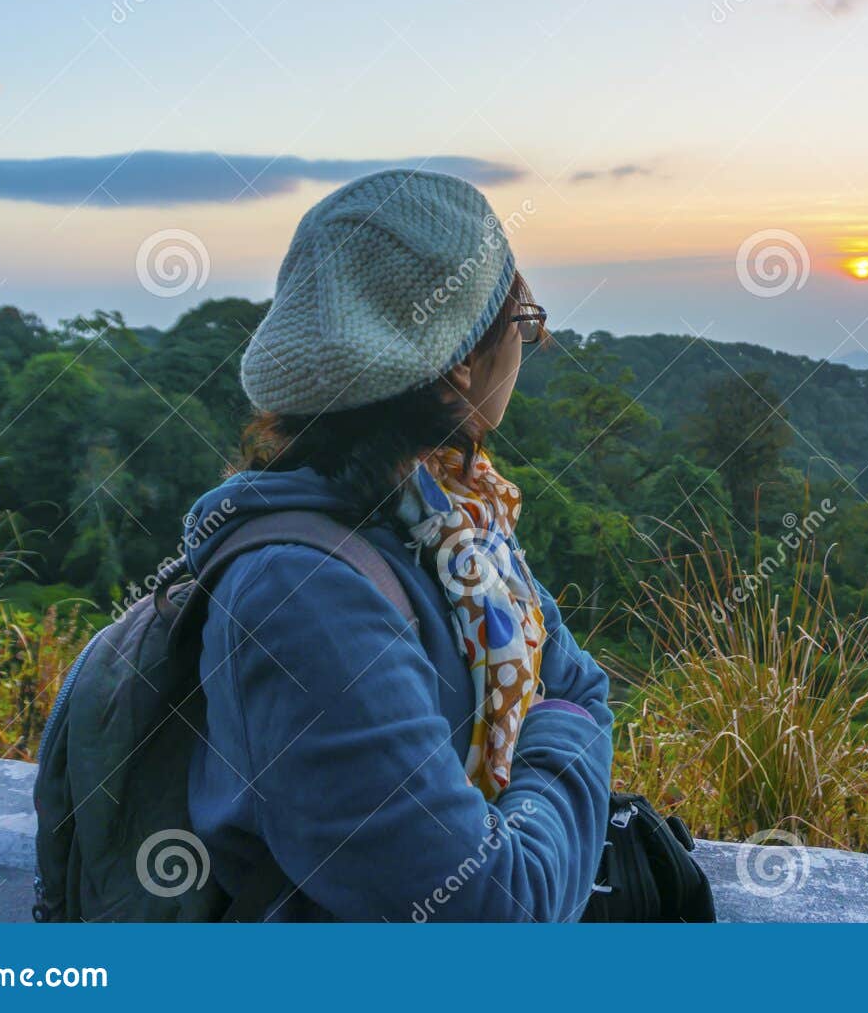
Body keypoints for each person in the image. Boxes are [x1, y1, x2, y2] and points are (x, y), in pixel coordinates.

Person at [181, 169, 613, 921]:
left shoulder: (449, 519)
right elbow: (494, 910)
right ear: (457, 364)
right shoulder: (303, 596)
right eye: (523, 323)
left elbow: (580, 682)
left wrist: (563, 726)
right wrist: (563, 748)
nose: (532, 344)